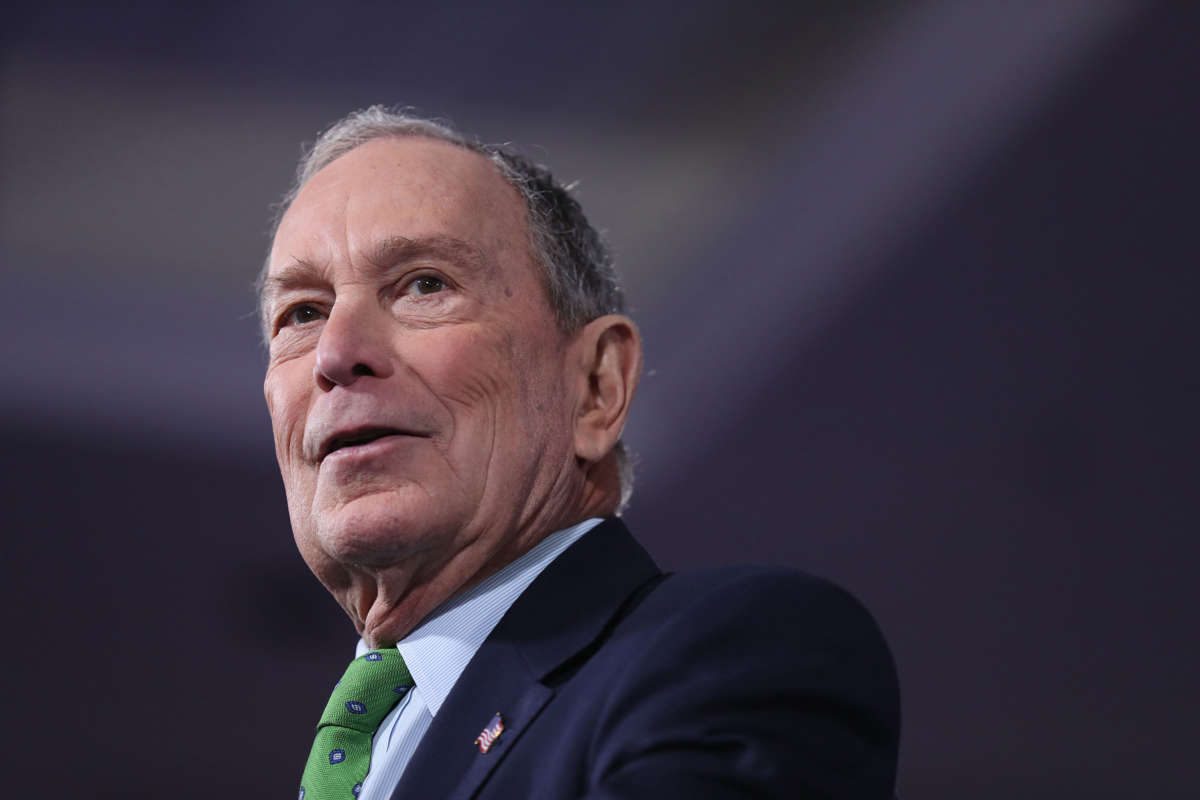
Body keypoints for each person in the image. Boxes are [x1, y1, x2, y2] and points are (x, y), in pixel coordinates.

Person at [260, 106, 900, 800]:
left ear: (597, 386)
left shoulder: (730, 655)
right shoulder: (368, 751)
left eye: (423, 284)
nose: (335, 353)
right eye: (302, 312)